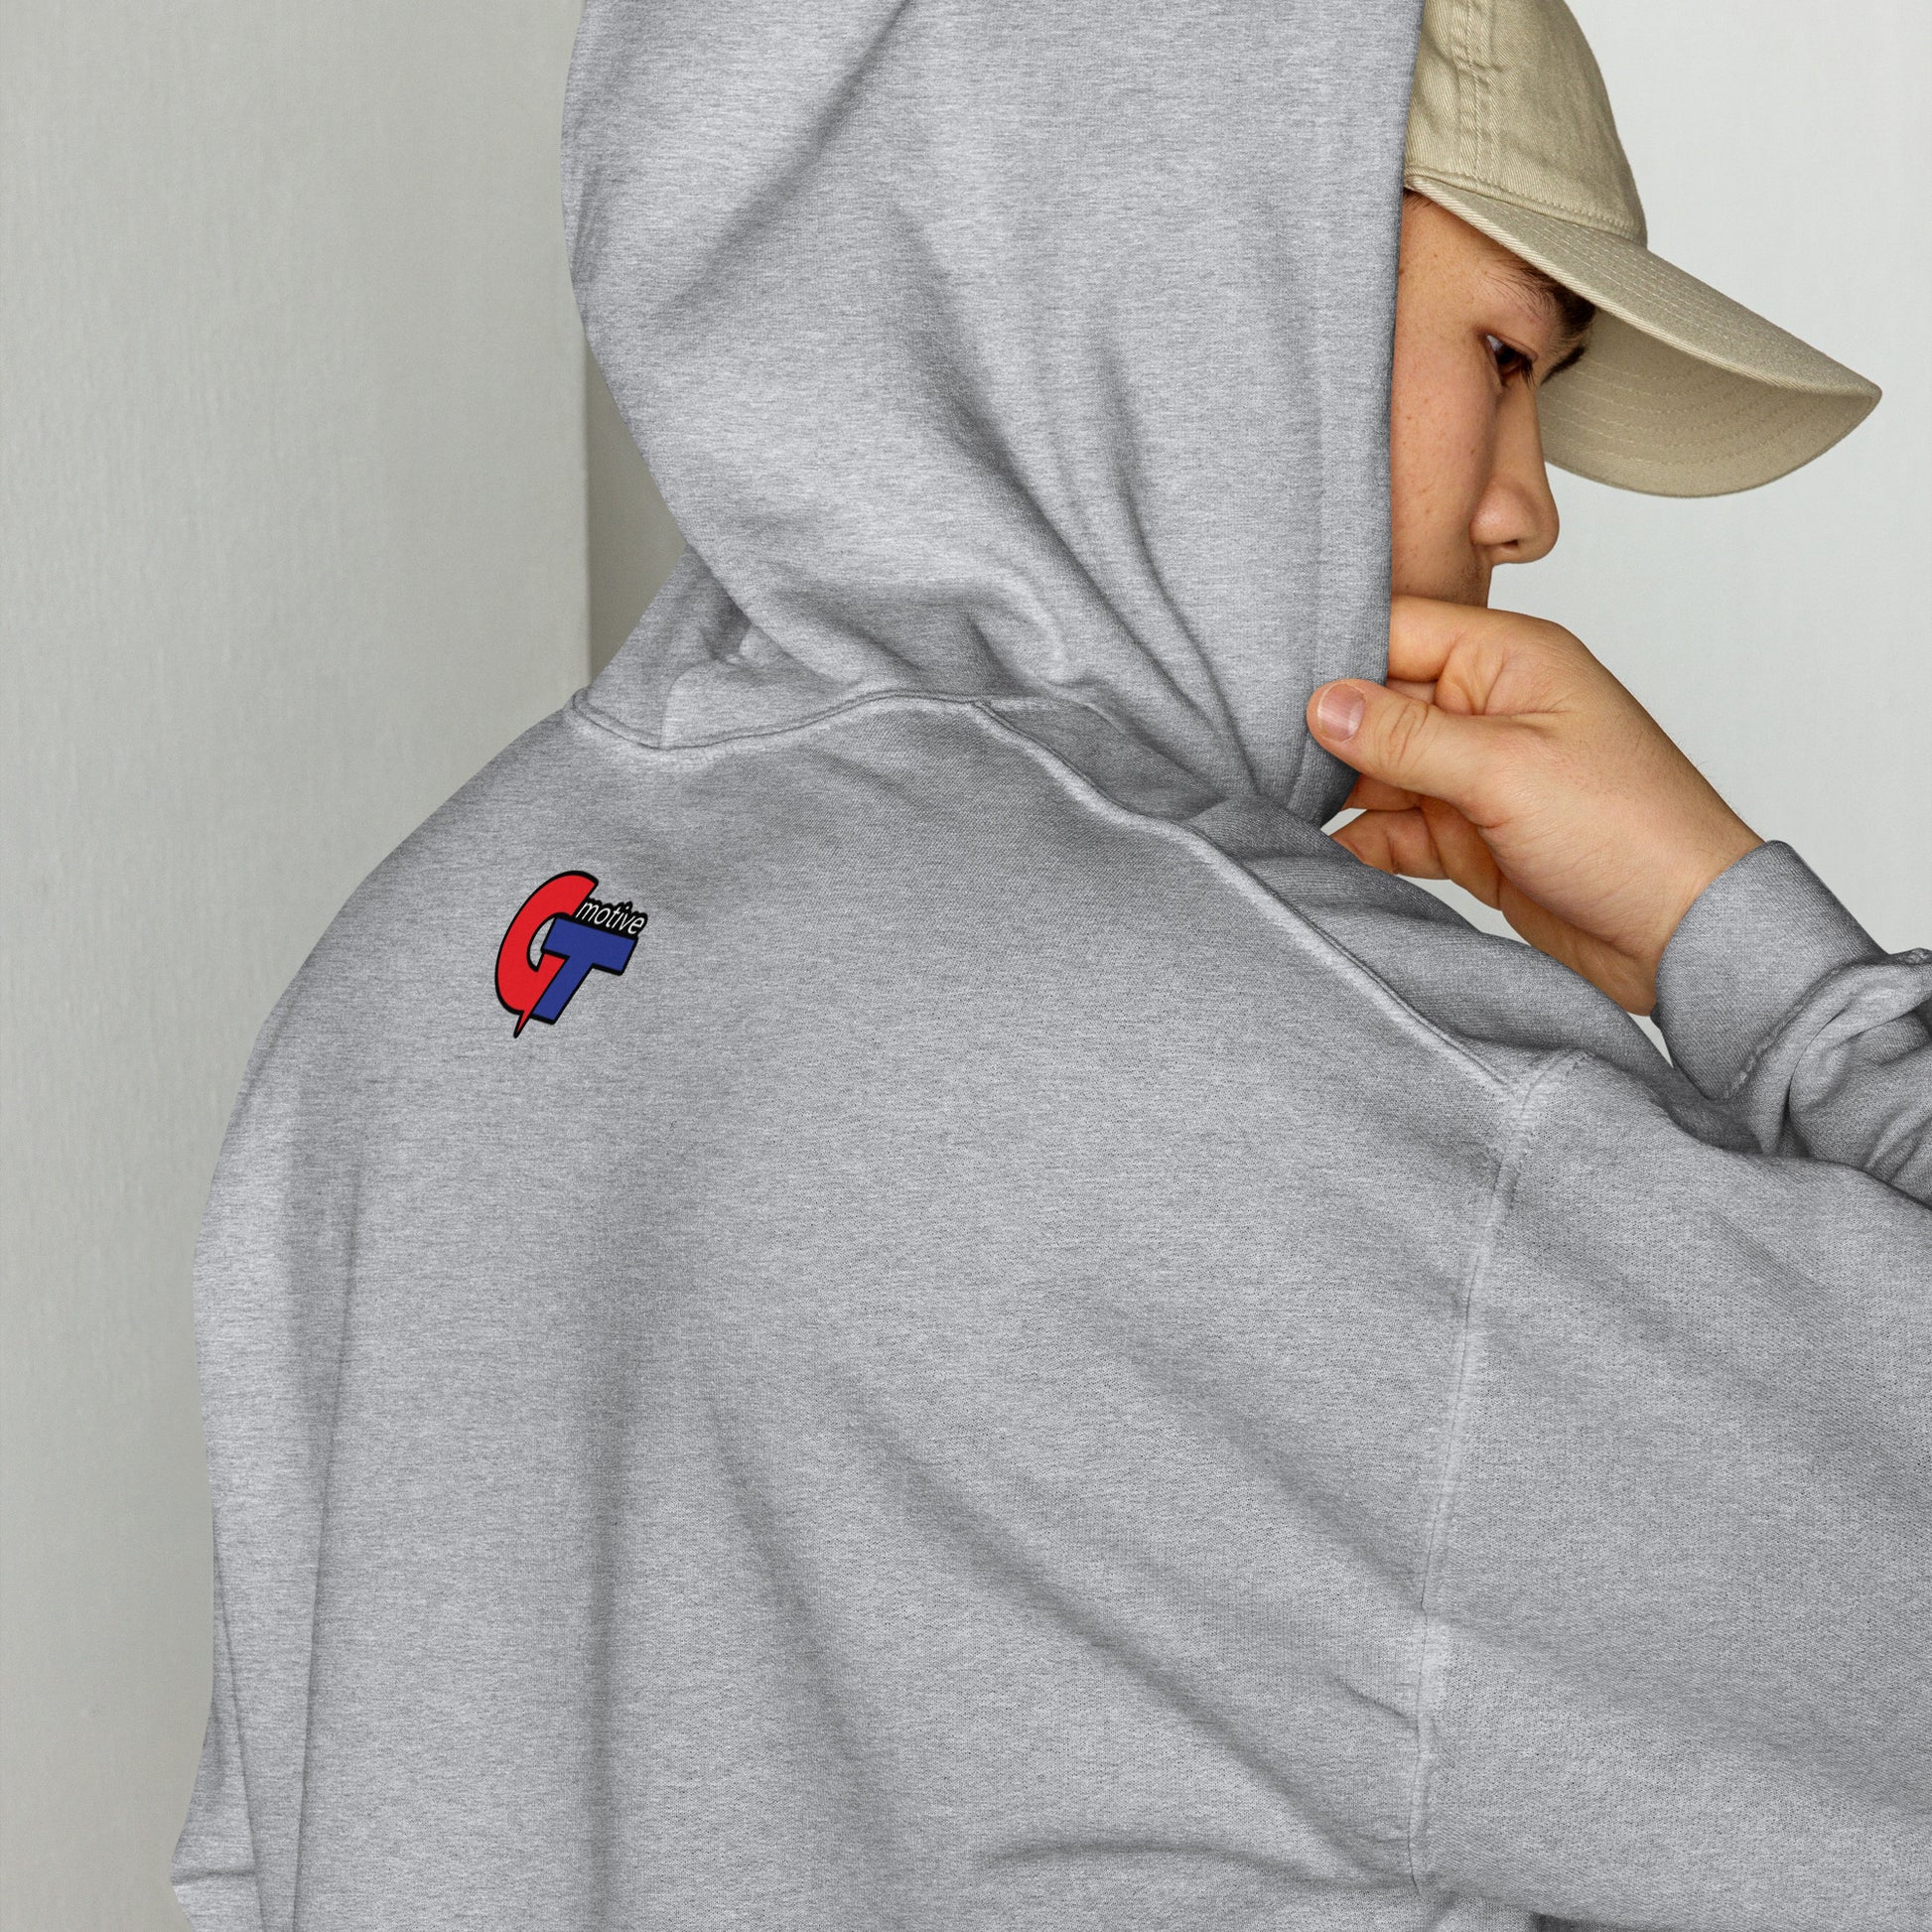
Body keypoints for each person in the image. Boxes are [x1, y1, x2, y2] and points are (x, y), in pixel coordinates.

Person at [172, 1, 1929, 1929]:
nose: (1529, 503)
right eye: (1503, 355)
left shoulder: (409, 985)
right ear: (1178, 253)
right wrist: (1750, 954)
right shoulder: (1325, 1101)